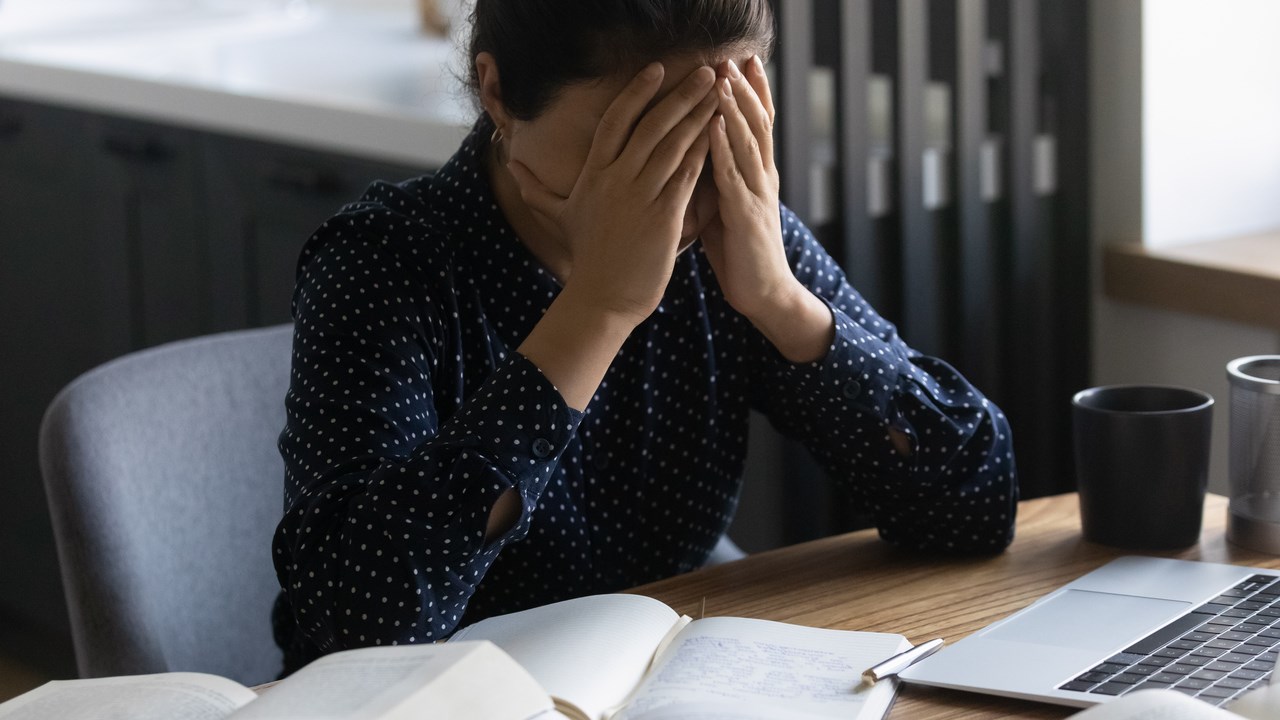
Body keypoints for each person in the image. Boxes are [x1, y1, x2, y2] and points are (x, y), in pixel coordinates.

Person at [271, 0, 1017, 674]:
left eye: (708, 132)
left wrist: (781, 300)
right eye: (632, 141)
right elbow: (361, 625)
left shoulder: (729, 237)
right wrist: (597, 310)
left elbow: (977, 502)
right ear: (497, 92)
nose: (674, 187)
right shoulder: (384, 262)